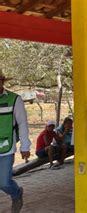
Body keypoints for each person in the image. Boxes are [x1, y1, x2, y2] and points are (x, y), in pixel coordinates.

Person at [0, 70, 31, 213]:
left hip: (7, 148)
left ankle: (16, 193)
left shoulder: (14, 99)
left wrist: (25, 146)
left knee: (4, 182)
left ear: (2, 81)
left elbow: (22, 123)